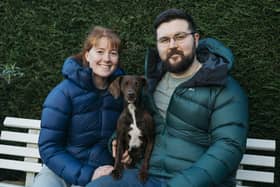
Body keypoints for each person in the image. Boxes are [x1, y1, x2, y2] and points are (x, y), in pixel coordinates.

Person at [86, 8, 248, 187]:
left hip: (196, 182)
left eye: (179, 37)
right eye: (164, 40)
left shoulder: (224, 87)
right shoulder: (148, 84)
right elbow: (134, 121)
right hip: (145, 176)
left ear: (195, 39)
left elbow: (228, 147)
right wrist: (117, 142)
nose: (172, 45)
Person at [31, 26, 125, 187]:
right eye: (100, 51)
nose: (107, 58)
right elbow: (49, 147)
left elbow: (131, 131)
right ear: (87, 55)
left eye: (113, 53)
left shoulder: (124, 93)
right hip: (60, 171)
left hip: (103, 172)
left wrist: (126, 150)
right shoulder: (62, 94)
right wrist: (87, 174)